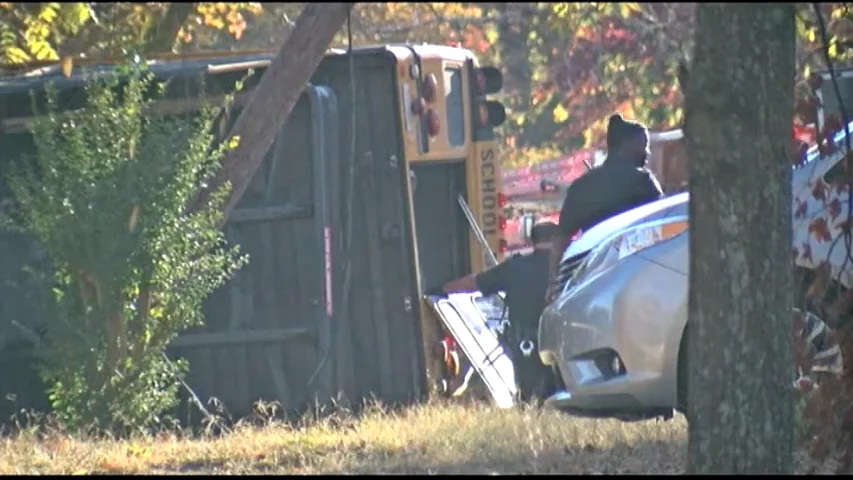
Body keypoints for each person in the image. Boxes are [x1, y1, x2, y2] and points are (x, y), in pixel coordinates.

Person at [436, 221, 560, 403]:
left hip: (525, 344)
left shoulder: (516, 267)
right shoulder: (568, 265)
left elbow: (475, 283)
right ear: (555, 239)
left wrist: (442, 288)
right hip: (563, 339)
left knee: (531, 398)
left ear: (532, 241)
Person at [547, 114, 664, 301]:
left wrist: (555, 283)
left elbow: (561, 239)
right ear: (625, 146)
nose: (647, 153)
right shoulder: (644, 182)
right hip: (636, 277)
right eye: (643, 147)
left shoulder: (581, 187)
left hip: (591, 281)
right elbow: (661, 226)